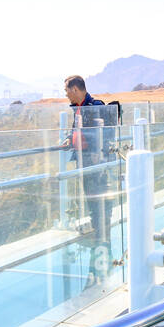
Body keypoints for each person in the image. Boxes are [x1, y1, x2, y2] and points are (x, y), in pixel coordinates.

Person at [62, 75, 112, 270]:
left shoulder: (96, 106)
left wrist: (96, 153)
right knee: (90, 197)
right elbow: (76, 130)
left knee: (99, 197)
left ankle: (102, 234)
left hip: (95, 161)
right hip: (83, 161)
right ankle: (98, 232)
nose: (66, 95)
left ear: (75, 89)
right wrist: (69, 139)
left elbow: (107, 133)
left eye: (67, 91)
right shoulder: (79, 109)